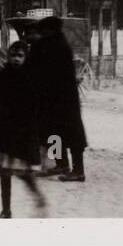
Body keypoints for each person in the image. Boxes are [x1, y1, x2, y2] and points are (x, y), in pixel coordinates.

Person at [0, 41, 46, 219]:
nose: (16, 59)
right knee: (4, 173)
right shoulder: (3, 74)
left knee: (23, 172)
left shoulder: (30, 76)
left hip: (22, 132)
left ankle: (37, 196)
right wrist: (4, 103)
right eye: (13, 56)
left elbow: (36, 102)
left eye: (20, 56)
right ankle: (6, 210)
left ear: (25, 58)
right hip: (4, 130)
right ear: (8, 57)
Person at [26, 15, 88, 181]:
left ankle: (76, 171)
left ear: (48, 31)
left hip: (57, 99)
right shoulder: (59, 44)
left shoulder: (48, 46)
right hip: (63, 99)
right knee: (58, 132)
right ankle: (62, 165)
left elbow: (35, 71)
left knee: (63, 133)